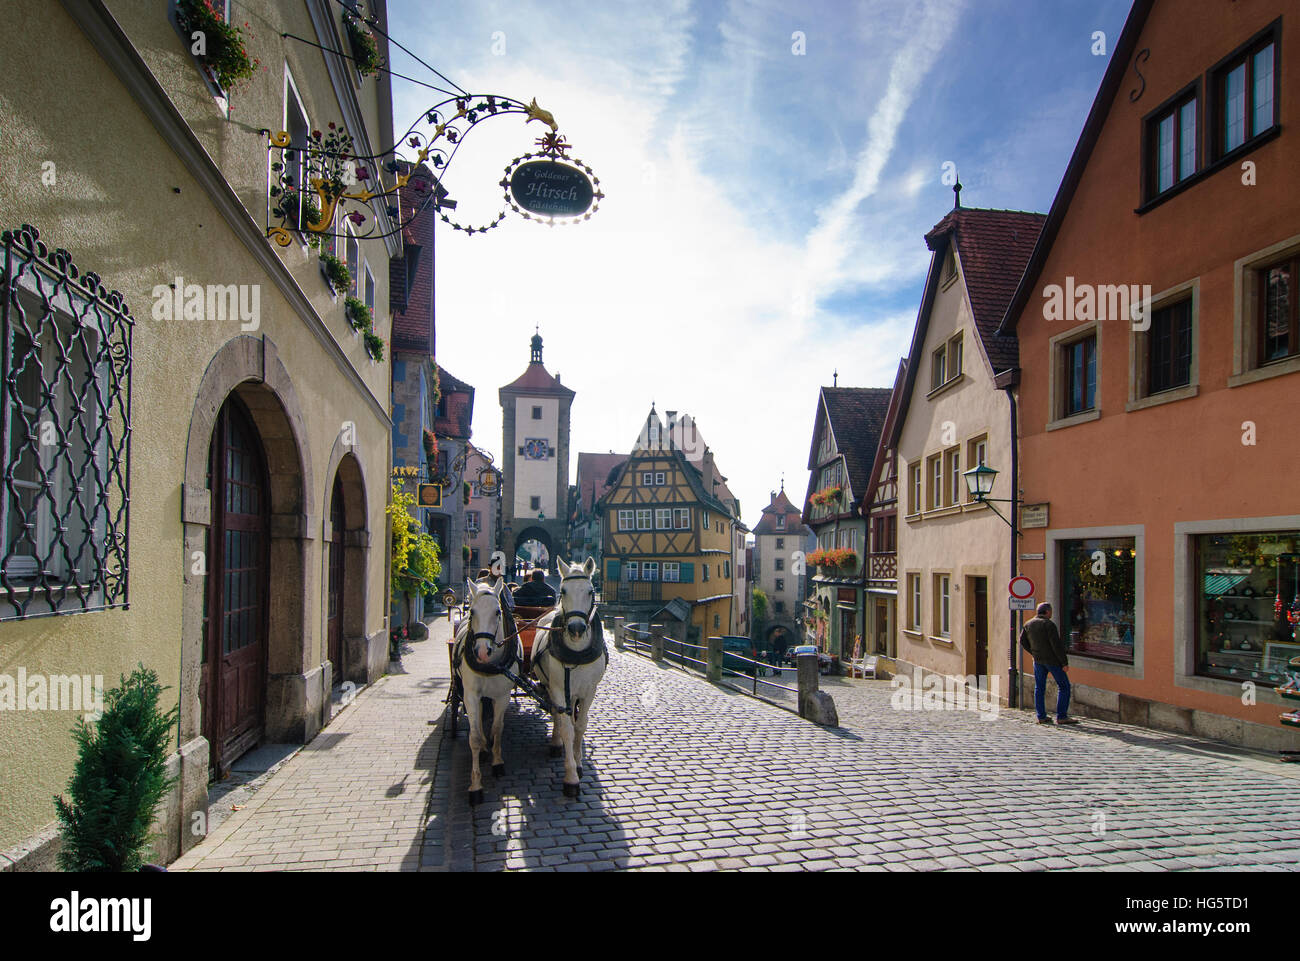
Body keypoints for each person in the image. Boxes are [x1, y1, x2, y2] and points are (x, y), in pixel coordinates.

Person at [1020, 602, 1079, 725]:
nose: (1051, 613)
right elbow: (1056, 645)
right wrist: (1064, 662)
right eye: (1050, 611)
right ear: (1047, 612)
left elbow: (1022, 641)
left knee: (1039, 688)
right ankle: (1062, 716)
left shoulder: (1028, 624)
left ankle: (1041, 716)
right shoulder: (1048, 624)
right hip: (1052, 661)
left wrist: (1033, 652)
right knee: (1064, 686)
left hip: (1038, 660)